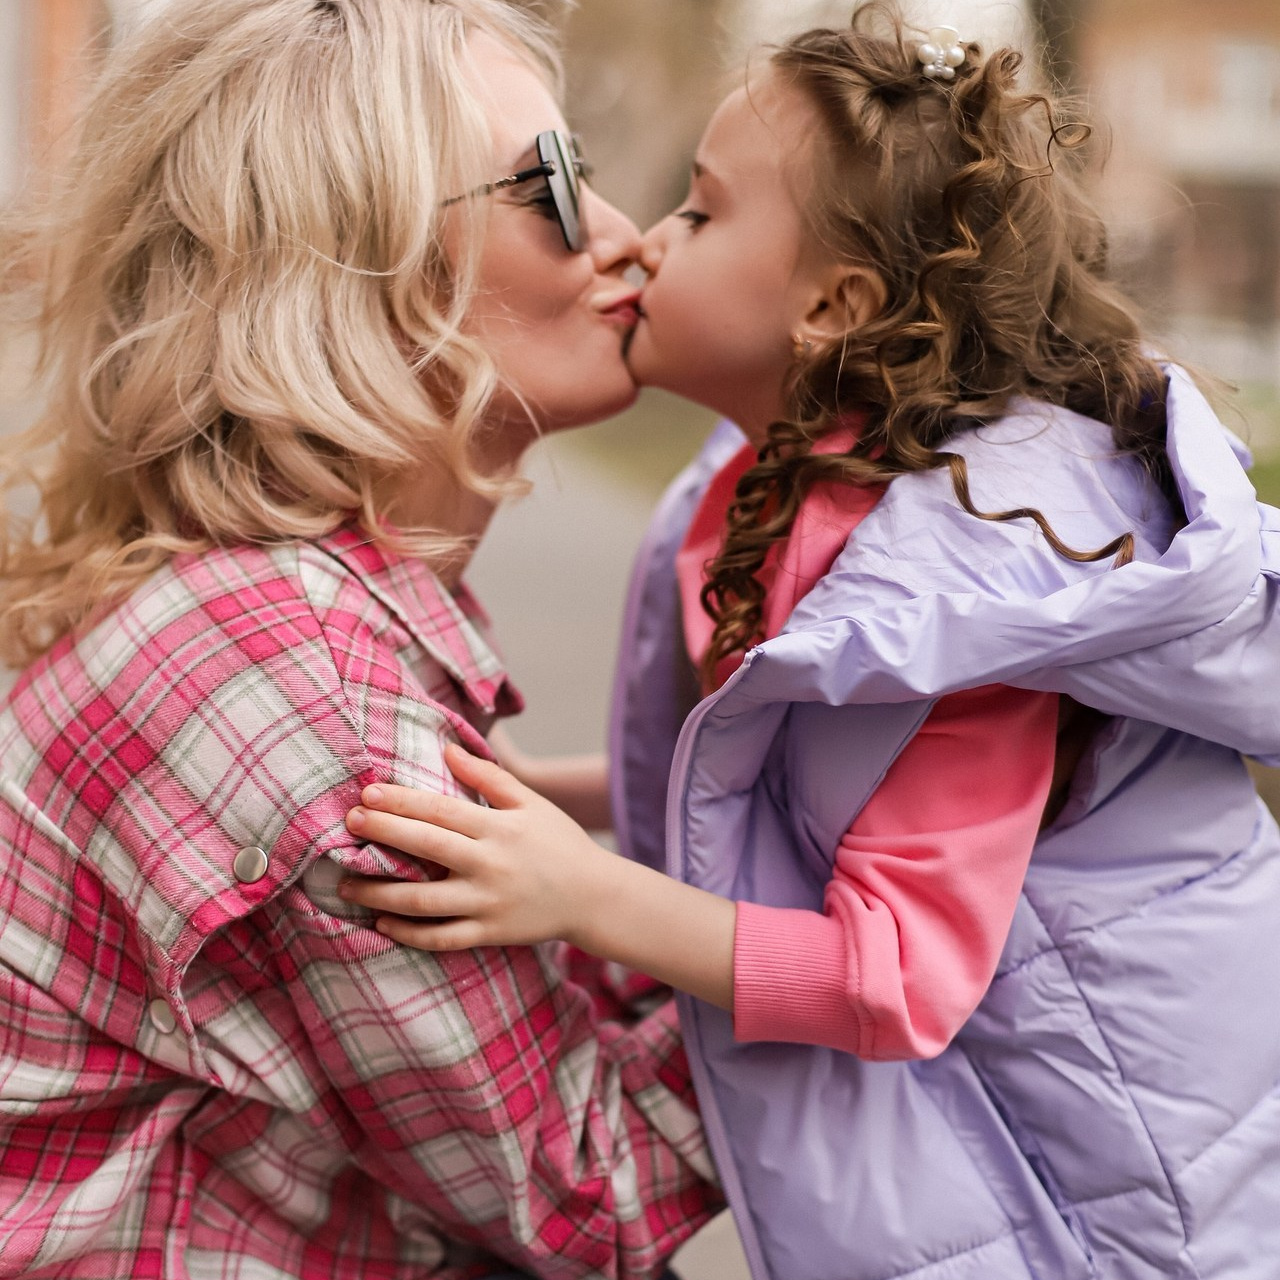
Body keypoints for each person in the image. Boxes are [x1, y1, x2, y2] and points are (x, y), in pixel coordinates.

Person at [339, 8, 1280, 1279]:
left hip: (1126, 1211)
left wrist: (578, 889)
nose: (638, 240)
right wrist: (531, 801)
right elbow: (774, 797)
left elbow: (896, 975)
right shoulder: (773, 500)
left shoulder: (951, 611)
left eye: (698, 212)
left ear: (830, 306)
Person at [0, 1, 723, 1277]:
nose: (624, 240)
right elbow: (588, 1193)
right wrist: (859, 928)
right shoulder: (303, 691)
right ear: (353, 251)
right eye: (551, 185)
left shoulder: (279, 621)